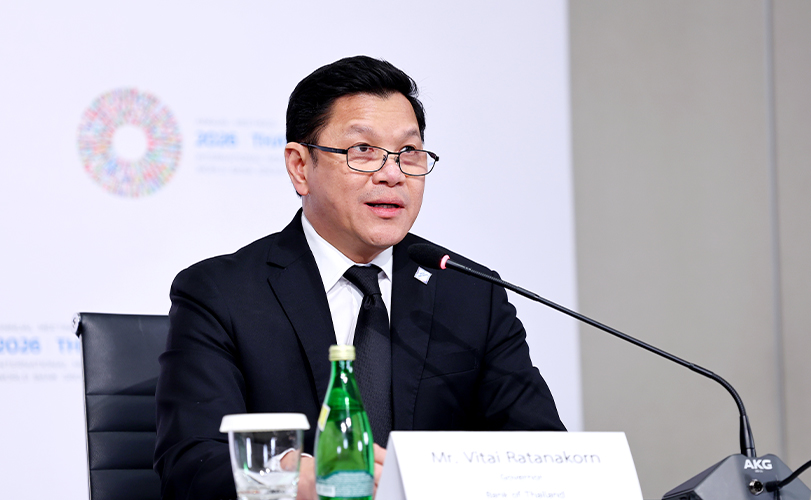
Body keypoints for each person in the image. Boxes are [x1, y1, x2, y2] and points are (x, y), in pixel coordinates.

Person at [154, 55, 565, 500]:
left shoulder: (470, 294)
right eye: (363, 150)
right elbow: (190, 465)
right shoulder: (222, 294)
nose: (392, 174)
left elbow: (541, 451)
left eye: (409, 153)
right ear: (300, 166)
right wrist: (291, 478)